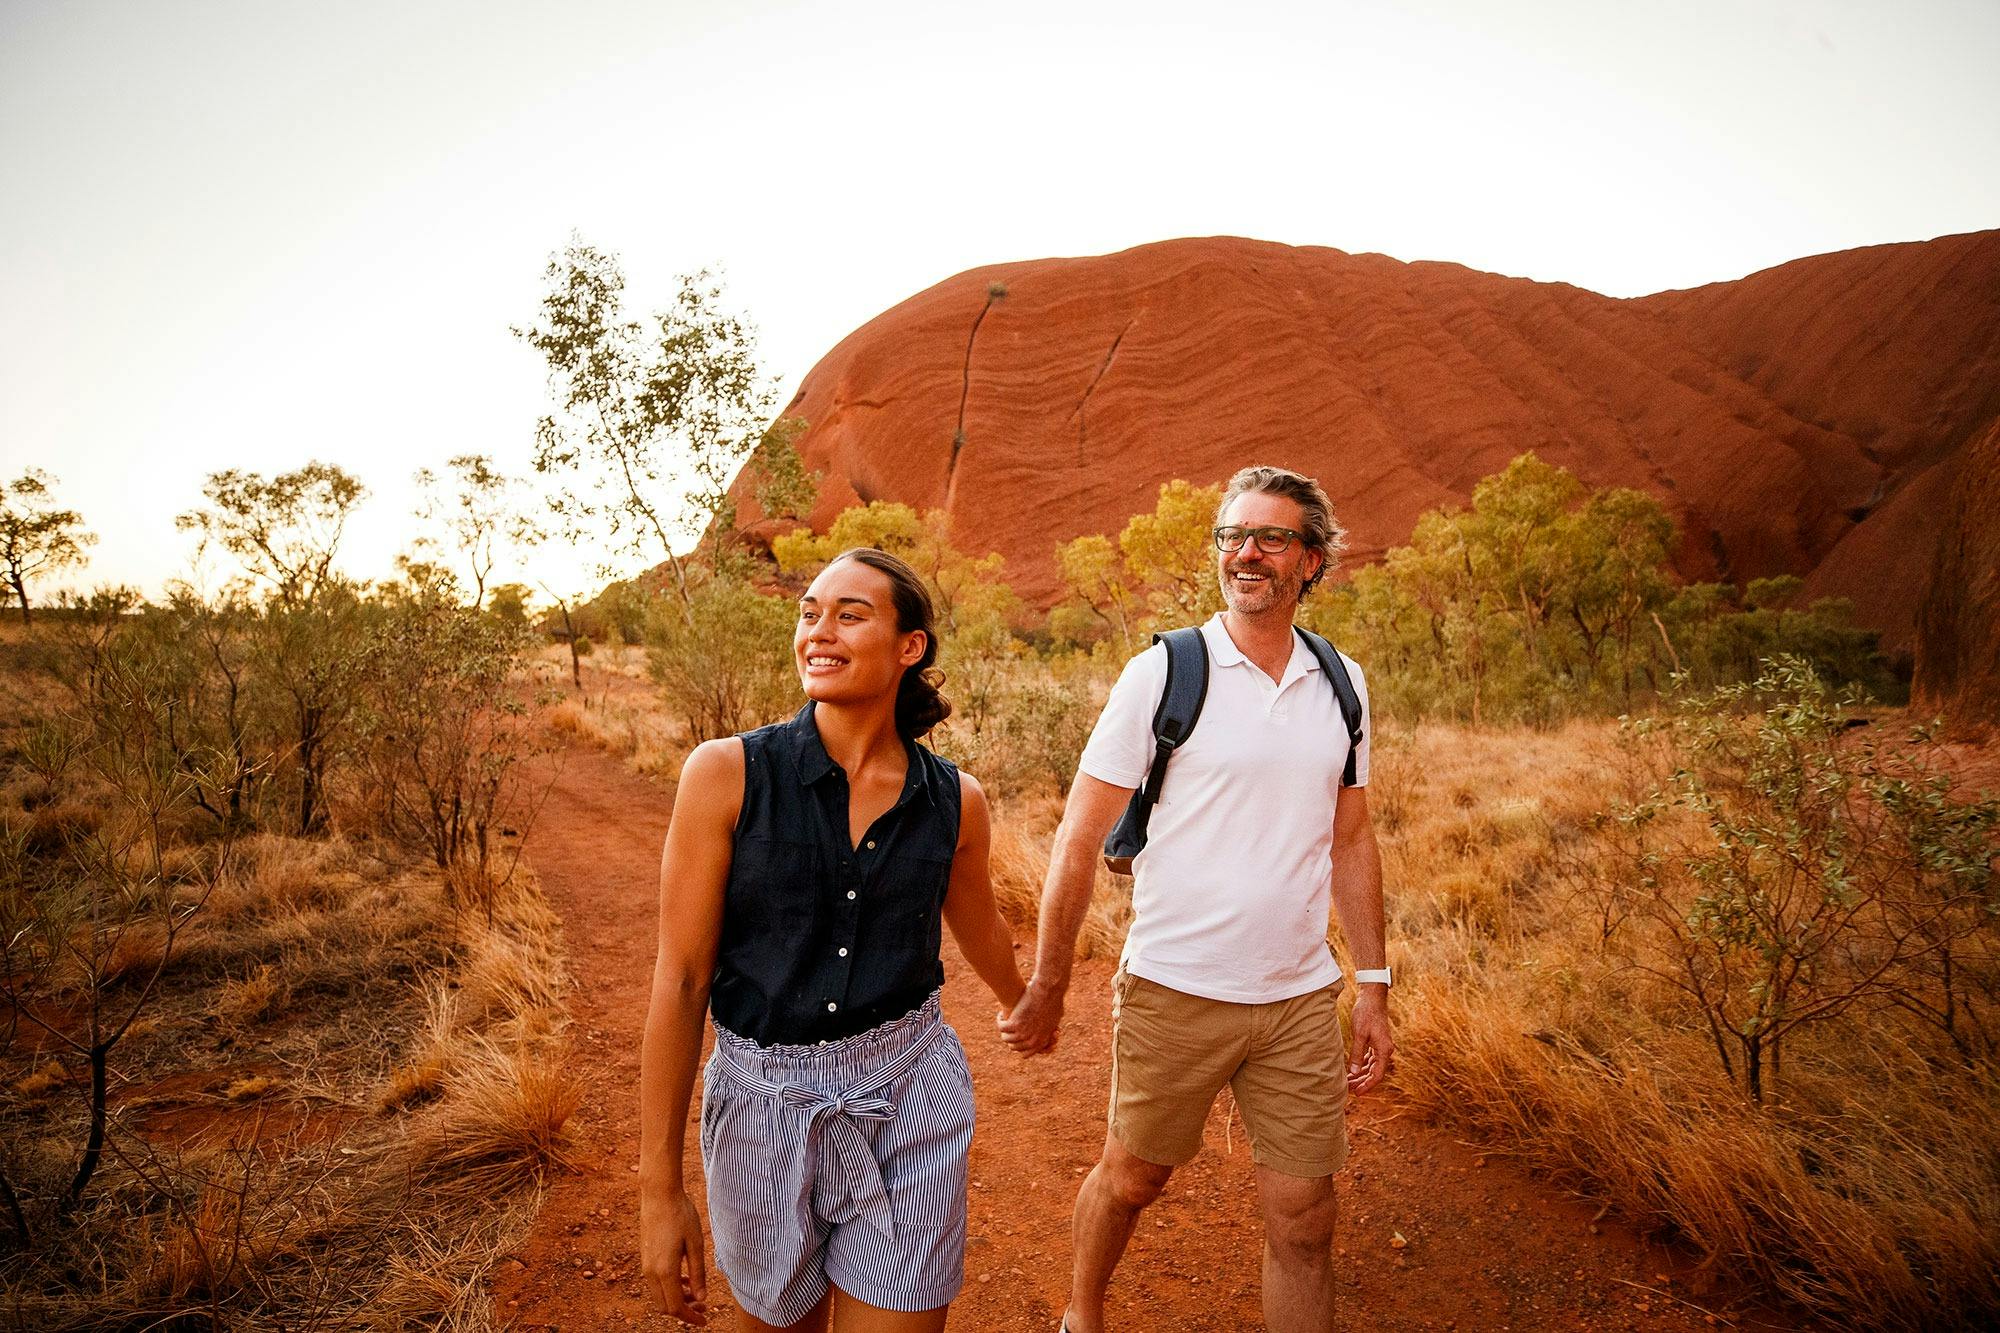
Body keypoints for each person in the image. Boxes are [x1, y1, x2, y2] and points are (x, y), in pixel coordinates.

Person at [1001, 465, 1393, 1333]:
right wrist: (1050, 979)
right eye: (1231, 535)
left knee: (1306, 1216)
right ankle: (1082, 1315)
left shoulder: (1344, 682)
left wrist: (1374, 981)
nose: (1245, 552)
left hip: (1296, 996)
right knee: (1134, 1178)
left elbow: (1353, 837)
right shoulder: (1166, 672)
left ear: (1312, 561)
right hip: (1175, 987)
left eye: (1270, 537)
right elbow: (1077, 834)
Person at [639, 547, 1027, 1331]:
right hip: (761, 1109)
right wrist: (659, 1190)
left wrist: (1027, 996)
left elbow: (977, 920)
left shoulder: (957, 801)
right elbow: (680, 981)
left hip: (909, 1095)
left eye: (850, 614)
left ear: (908, 645)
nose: (820, 630)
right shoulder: (724, 774)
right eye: (809, 612)